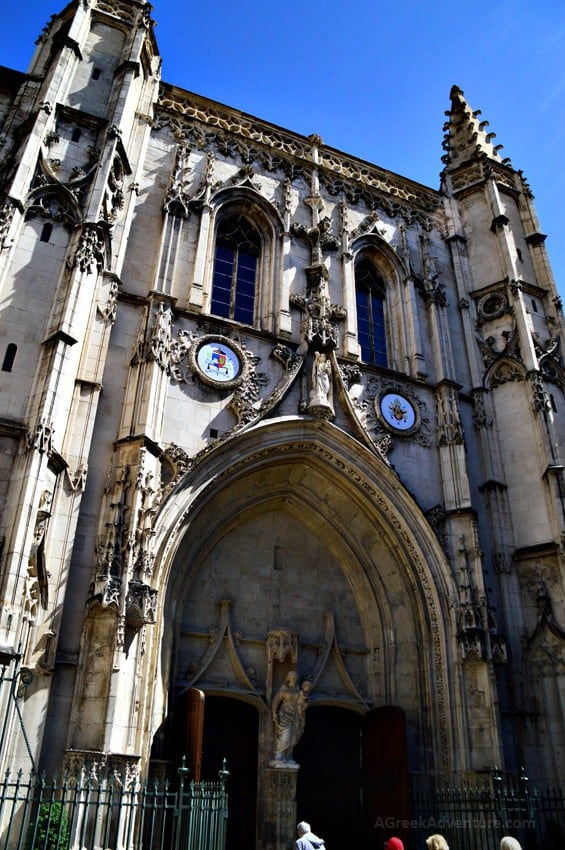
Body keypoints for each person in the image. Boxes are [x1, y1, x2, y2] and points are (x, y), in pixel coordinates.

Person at [271, 671, 301, 763]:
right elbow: (276, 701)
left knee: (292, 736)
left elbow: (302, 703)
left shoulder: (298, 691)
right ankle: (279, 753)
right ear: (288, 678)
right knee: (285, 735)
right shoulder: (284, 689)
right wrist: (274, 713)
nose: (293, 678)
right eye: (291, 676)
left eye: (295, 676)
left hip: (294, 715)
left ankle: (287, 756)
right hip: (284, 714)